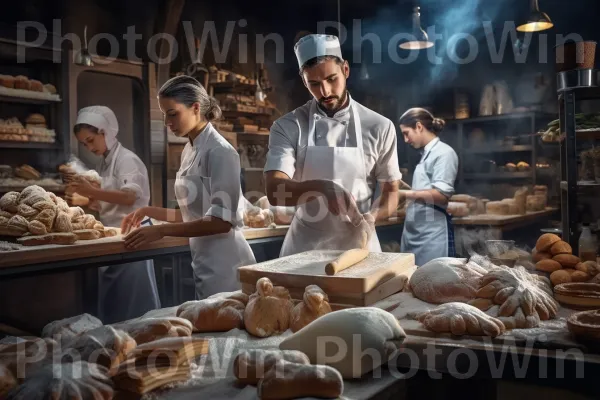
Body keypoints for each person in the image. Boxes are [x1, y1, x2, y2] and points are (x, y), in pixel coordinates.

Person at [264, 33, 402, 256]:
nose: (325, 92)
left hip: (359, 247)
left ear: (345, 70)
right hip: (303, 250)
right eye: (314, 84)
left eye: (331, 79)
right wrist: (322, 188)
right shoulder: (288, 126)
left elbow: (391, 192)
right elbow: (274, 191)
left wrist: (372, 216)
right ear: (304, 81)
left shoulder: (379, 126)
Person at [120, 75, 256, 299]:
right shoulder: (189, 149)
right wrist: (147, 211)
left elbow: (221, 222)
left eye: (172, 114)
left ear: (195, 108)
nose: (167, 123)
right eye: (165, 115)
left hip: (228, 268)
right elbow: (193, 214)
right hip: (204, 265)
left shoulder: (221, 152)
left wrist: (161, 230)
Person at [67, 105, 160, 324]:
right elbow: (108, 201)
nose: (88, 147)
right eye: (83, 144)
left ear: (105, 132)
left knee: (135, 307)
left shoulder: (127, 160)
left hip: (135, 235)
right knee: (116, 306)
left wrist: (90, 191)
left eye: (90, 140)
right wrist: (84, 200)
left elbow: (129, 197)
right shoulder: (105, 163)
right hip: (116, 237)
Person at [398, 108, 459, 267]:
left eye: (406, 133)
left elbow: (441, 195)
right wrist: (406, 188)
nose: (405, 140)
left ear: (419, 126)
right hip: (417, 232)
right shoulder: (426, 154)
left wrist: (403, 194)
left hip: (432, 237)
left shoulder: (444, 153)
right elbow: (426, 190)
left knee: (434, 285)